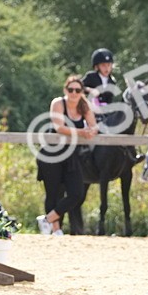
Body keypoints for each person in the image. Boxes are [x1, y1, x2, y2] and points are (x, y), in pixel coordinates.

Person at [35, 76, 98, 236]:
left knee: (77, 193)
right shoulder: (58, 103)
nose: (74, 93)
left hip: (71, 155)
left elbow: (94, 126)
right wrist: (82, 132)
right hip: (52, 153)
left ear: (82, 92)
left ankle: (47, 220)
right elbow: (59, 127)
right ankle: (56, 229)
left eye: (77, 90)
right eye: (71, 90)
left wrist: (91, 131)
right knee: (53, 192)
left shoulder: (84, 106)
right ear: (65, 90)